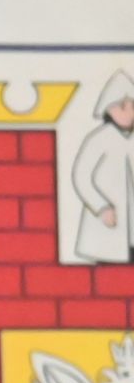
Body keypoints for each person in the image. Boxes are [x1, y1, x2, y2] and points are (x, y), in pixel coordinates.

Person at [72, 70, 134, 264]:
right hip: (107, 227)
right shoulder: (98, 139)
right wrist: (101, 207)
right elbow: (81, 177)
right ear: (109, 109)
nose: (129, 112)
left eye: (132, 106)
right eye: (122, 106)